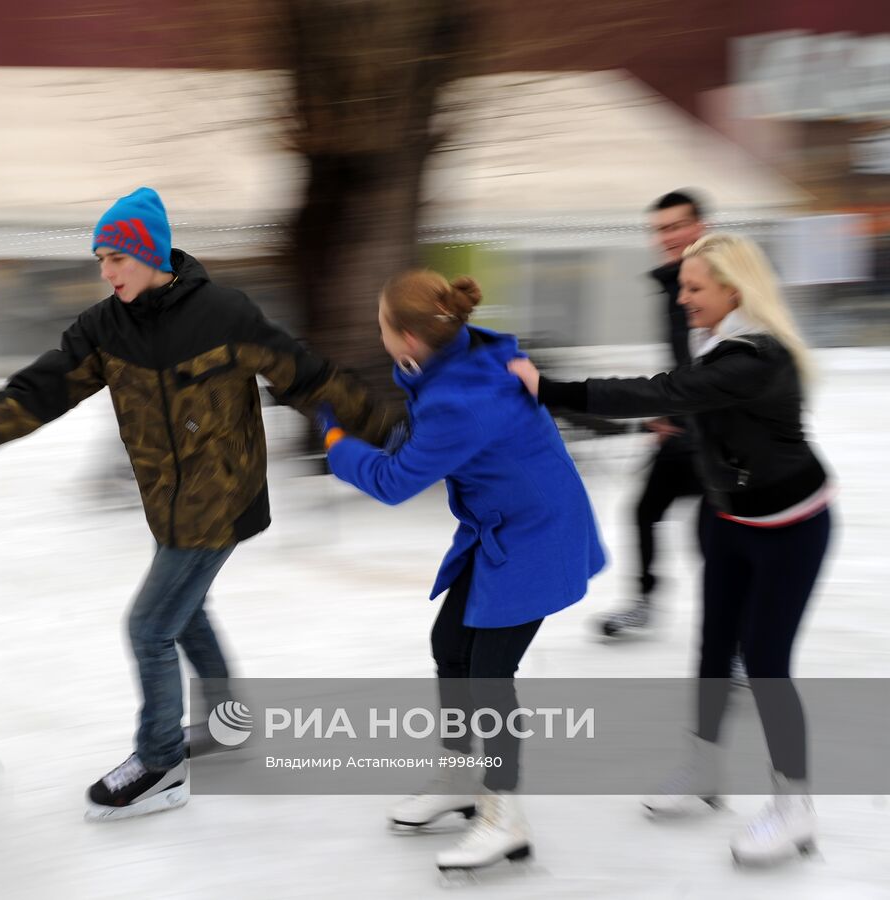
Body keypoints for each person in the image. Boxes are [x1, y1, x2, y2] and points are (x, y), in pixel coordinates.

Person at [0, 187, 403, 820]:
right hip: (167, 502)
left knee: (149, 627)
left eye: (116, 259)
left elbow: (309, 378)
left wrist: (390, 433)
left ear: (151, 254)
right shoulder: (104, 329)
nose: (106, 273)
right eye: (100, 261)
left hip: (222, 496)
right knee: (184, 614)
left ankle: (161, 762)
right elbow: (30, 396)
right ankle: (227, 724)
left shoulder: (225, 314)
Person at [509, 233, 834, 866]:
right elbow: (693, 399)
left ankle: (795, 807)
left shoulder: (755, 357)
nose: (683, 298)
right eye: (681, 286)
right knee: (715, 648)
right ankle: (706, 769)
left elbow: (666, 390)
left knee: (765, 661)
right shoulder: (718, 342)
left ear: (732, 292)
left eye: (694, 288)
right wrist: (685, 425)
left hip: (793, 527)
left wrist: (550, 390)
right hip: (732, 517)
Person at [319, 269, 605, 873]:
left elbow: (395, 481)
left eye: (381, 326)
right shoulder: (467, 355)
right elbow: (425, 428)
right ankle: (457, 776)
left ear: (408, 338)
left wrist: (338, 441)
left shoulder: (460, 402)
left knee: (489, 676)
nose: (378, 334)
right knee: (449, 643)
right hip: (507, 524)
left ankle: (504, 816)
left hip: (536, 537)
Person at [598, 190, 708, 639]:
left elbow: (725, 364)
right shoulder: (672, 285)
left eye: (677, 225)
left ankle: (739, 640)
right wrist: (667, 412)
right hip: (687, 424)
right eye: (661, 229)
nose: (668, 236)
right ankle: (642, 601)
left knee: (717, 537)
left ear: (701, 227)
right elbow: (688, 365)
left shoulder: (715, 280)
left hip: (721, 433)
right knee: (644, 510)